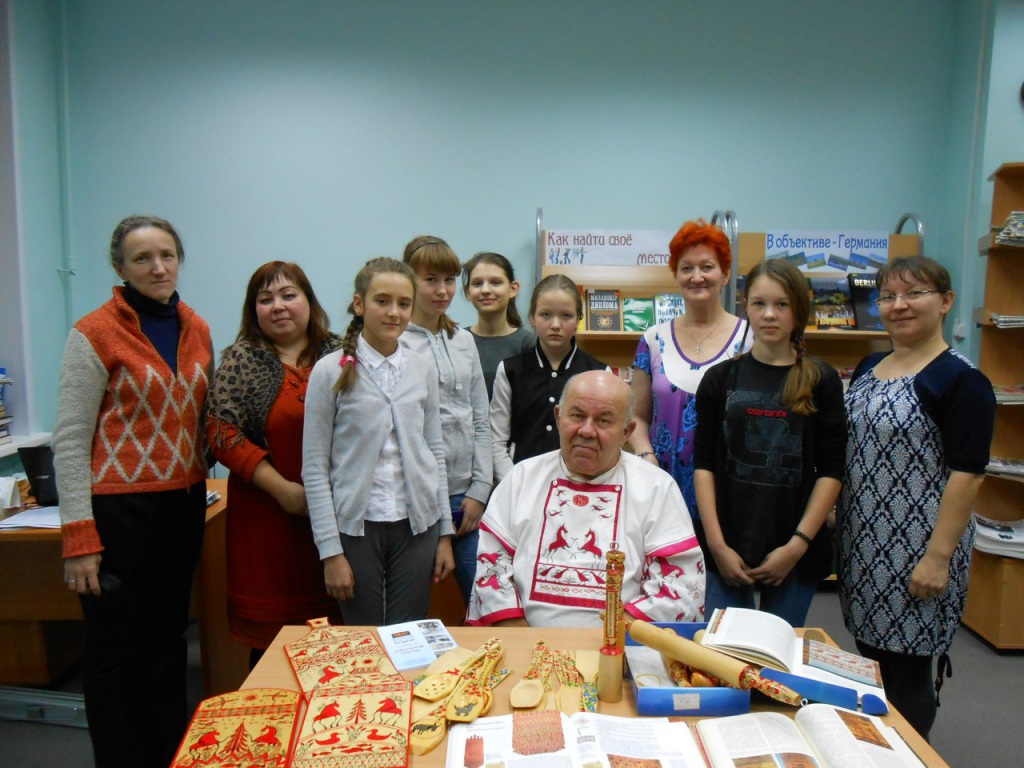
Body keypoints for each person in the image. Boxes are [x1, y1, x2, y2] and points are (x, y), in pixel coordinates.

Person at [53, 215, 213, 768]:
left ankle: (168, 752)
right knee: (115, 651)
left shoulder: (196, 328)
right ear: (119, 267)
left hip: (183, 505)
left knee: (168, 641)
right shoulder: (94, 333)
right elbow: (71, 439)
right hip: (118, 511)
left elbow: (199, 418)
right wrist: (79, 535)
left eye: (167, 255)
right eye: (142, 258)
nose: (158, 267)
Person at [837, 255, 994, 740]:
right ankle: (879, 747)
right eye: (888, 296)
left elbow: (968, 475)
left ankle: (909, 753)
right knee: (872, 658)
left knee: (907, 671)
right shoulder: (869, 366)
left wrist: (938, 558)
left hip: (919, 551)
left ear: (945, 302)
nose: (899, 305)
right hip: (864, 544)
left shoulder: (961, 380)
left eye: (914, 293)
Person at [467, 370, 706, 627]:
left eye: (604, 421)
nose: (587, 431)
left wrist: (613, 637)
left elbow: (680, 585)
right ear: (558, 417)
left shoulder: (656, 488)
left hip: (621, 642)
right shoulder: (522, 478)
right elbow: (492, 567)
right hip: (524, 640)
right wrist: (521, 638)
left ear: (627, 432)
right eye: (577, 416)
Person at [693, 258, 846, 628]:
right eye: (759, 304)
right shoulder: (720, 378)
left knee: (778, 655)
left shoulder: (821, 380)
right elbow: (704, 466)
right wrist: (716, 545)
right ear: (746, 307)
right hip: (728, 541)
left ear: (799, 310)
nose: (769, 314)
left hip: (794, 545)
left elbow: (831, 471)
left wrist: (796, 545)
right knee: (725, 652)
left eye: (782, 304)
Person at [303, 257, 455, 625]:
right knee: (363, 634)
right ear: (359, 304)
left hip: (417, 526)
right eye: (382, 301)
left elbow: (435, 452)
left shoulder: (421, 367)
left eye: (404, 303)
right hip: (357, 529)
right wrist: (330, 552)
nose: (394, 312)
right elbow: (314, 468)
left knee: (409, 633)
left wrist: (444, 534)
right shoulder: (329, 371)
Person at [206, 261, 343, 668]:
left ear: (309, 301)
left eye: (288, 295)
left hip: (338, 519)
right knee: (273, 649)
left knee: (341, 640)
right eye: (265, 299)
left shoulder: (342, 355)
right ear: (254, 311)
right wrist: (282, 490)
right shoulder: (241, 359)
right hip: (267, 521)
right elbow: (221, 431)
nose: (278, 306)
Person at [629, 219, 749, 520]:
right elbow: (637, 416)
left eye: (707, 267)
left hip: (731, 493)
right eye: (686, 268)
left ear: (725, 274)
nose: (697, 277)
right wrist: (646, 457)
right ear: (676, 275)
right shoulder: (652, 340)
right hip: (661, 492)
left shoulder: (751, 340)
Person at [402, 236, 492, 606]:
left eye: (450, 280)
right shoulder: (397, 343)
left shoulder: (463, 340)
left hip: (467, 496)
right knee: (412, 606)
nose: (443, 291)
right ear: (409, 281)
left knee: (483, 597)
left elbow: (481, 418)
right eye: (431, 280)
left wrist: (480, 490)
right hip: (418, 497)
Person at [490, 274, 607, 484]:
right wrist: (515, 484)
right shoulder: (510, 370)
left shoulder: (599, 373)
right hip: (520, 483)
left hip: (580, 485)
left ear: (579, 319)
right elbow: (496, 441)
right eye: (545, 314)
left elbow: (605, 440)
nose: (555, 324)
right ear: (532, 318)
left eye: (566, 316)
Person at [462, 251, 534, 398]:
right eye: (477, 283)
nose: (485, 290)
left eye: (495, 282)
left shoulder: (528, 344)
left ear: (513, 289)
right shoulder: (457, 341)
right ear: (468, 292)